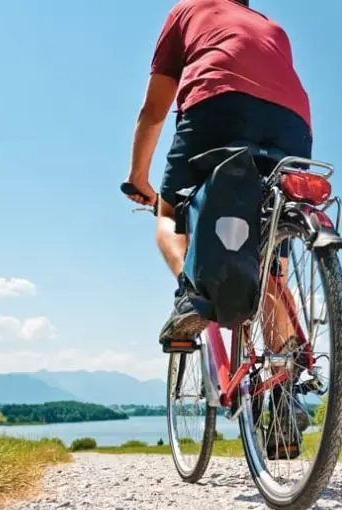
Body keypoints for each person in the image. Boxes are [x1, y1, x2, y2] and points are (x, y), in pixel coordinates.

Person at [121, 0, 312, 458]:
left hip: (218, 103)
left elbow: (154, 109)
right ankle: (283, 401)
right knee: (268, 258)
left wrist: (138, 179)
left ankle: (193, 298)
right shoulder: (272, 26)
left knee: (169, 216)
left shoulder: (187, 10)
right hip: (294, 123)